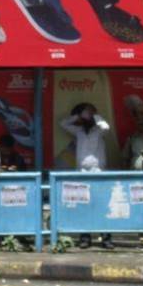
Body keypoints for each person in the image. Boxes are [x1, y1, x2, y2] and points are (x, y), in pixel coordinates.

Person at [61, 102, 113, 248]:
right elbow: (63, 123)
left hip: (98, 172)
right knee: (84, 205)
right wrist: (79, 116)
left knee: (102, 206)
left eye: (89, 115)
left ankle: (106, 238)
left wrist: (94, 114)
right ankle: (85, 238)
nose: (88, 118)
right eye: (86, 115)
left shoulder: (99, 130)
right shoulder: (79, 131)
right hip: (82, 173)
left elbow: (106, 126)